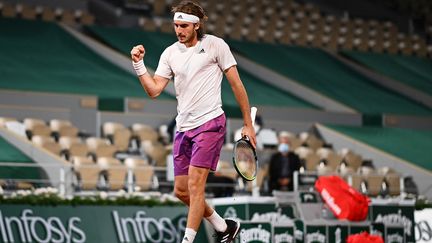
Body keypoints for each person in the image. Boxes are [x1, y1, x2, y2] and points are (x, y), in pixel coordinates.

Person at [130, 1, 256, 242]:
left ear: (196, 25)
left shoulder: (216, 46)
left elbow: (237, 85)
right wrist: (138, 65)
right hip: (183, 128)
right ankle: (223, 226)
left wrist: (248, 124)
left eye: (184, 26)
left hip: (210, 123)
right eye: (176, 25)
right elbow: (154, 90)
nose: (179, 30)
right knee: (181, 191)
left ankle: (187, 240)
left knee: (197, 187)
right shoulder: (170, 53)